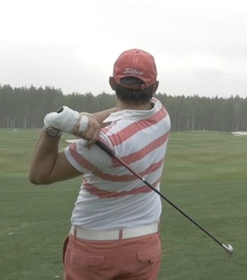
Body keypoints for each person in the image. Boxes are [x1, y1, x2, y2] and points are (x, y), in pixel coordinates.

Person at [29, 49, 171, 280]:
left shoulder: (101, 146)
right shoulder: (161, 114)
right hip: (144, 247)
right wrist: (82, 120)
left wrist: (53, 126)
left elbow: (40, 174)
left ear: (112, 83)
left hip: (95, 251)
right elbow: (120, 114)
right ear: (155, 87)